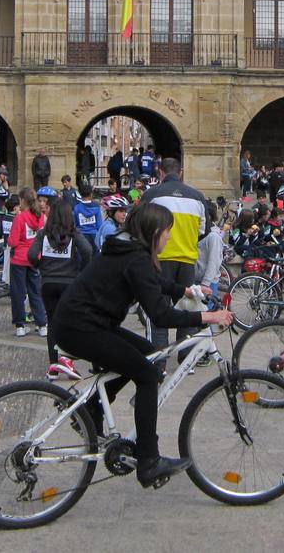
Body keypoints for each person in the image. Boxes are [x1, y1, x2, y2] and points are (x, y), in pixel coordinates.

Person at [51, 202, 234, 489]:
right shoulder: (135, 258)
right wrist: (207, 316)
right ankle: (149, 461)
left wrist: (184, 289)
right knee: (147, 375)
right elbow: (161, 315)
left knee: (148, 355)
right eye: (168, 233)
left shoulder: (127, 248)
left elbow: (152, 281)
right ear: (155, 232)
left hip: (84, 323)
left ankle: (91, 410)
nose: (170, 238)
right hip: (81, 329)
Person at [140, 156, 208, 360]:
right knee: (187, 309)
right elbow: (203, 230)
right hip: (187, 260)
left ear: (160, 172)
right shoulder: (197, 197)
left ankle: (159, 359)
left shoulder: (151, 194)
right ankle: (186, 358)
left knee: (158, 307)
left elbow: (140, 224)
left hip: (160, 259)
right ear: (181, 173)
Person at [28, 196, 93, 381]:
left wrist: (40, 265)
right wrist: (80, 271)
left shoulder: (44, 233)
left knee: (53, 324)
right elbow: (88, 251)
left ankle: (53, 367)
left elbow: (31, 254)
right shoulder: (73, 233)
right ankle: (67, 361)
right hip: (69, 283)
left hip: (48, 283)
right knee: (70, 324)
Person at [8, 187, 48, 337]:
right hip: (34, 258)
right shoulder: (40, 217)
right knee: (36, 291)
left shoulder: (20, 218)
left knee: (18, 293)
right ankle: (42, 324)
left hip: (19, 259)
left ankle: (20, 325)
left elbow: (12, 241)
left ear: (23, 200)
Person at [72, 181, 102, 251]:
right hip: (94, 236)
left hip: (81, 236)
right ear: (91, 194)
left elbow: (75, 224)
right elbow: (99, 225)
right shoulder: (97, 208)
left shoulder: (77, 208)